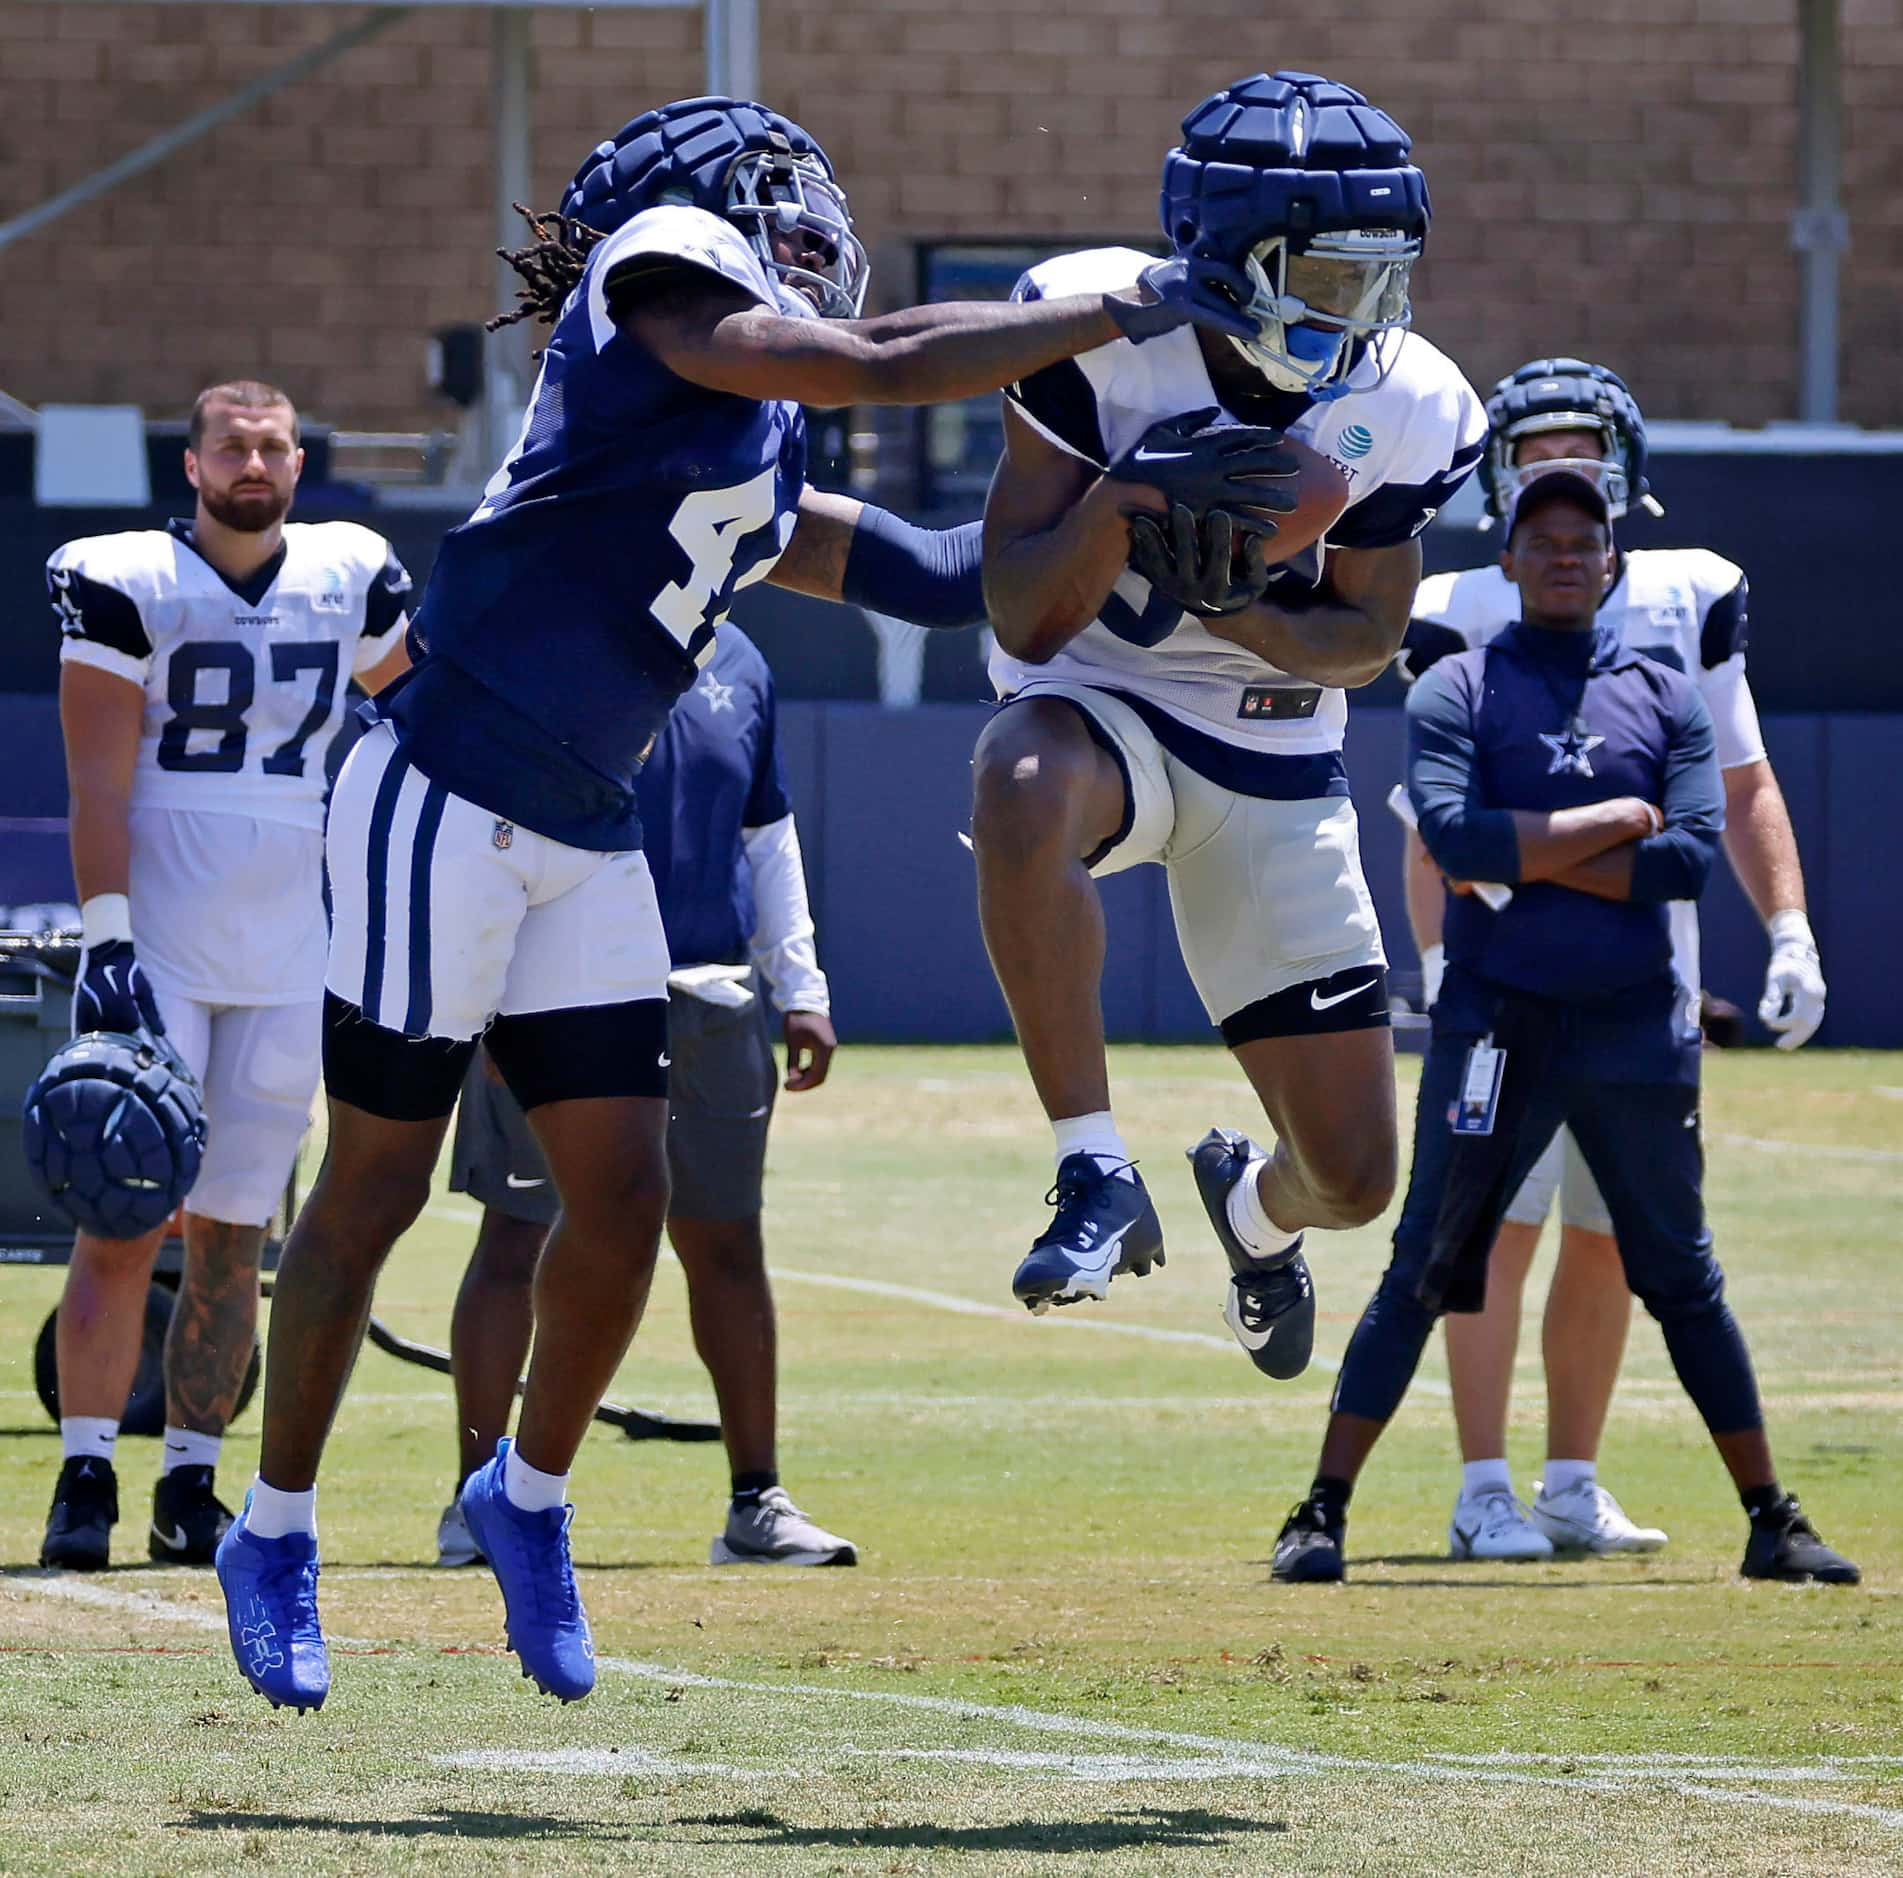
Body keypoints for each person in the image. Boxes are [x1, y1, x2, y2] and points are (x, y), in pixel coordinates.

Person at [214, 93, 1257, 1714]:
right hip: (441, 790)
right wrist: (1120, 305)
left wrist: (1120, 508)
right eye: (766, 188)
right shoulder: (655, 279)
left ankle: (528, 1498)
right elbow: (878, 356)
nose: (800, 215)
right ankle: (272, 1530)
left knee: (623, 1199)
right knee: (372, 1188)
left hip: (581, 826)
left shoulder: (751, 430)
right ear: (683, 209)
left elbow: (924, 571)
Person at [972, 71, 1483, 1366]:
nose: (1360, 316)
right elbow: (1024, 616)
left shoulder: (1409, 398)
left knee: (1355, 1178)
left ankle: (1251, 1217)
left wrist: (1238, 605)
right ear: (1222, 256)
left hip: (1271, 740)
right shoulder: (1094, 335)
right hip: (1100, 703)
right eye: (1324, 279)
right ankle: (1089, 1165)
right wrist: (1120, 502)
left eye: (1379, 277)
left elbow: (1363, 641)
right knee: (1017, 776)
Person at [1271, 470, 1859, 1589]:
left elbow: (1686, 861)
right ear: (1506, 563)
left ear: (1610, 563)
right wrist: (1604, 826)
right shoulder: (1459, 687)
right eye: (1538, 540)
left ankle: (1771, 1521)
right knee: (1426, 1264)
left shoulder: (1666, 697)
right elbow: (1453, 837)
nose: (1561, 556)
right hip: (1496, 1022)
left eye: (1580, 541)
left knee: (1680, 1276)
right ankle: (1320, 1513)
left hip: (1637, 1030)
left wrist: (1532, 848)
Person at [1398, 360, 1829, 1563]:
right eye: (1532, 449)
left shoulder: (1690, 595)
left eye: (1579, 446)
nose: (1557, 472)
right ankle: (1481, 1484)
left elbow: (1740, 783)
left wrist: (1786, 925)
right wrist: (1440, 966)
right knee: (1491, 1230)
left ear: (1626, 466)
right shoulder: (1463, 607)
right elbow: (1427, 824)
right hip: (1509, 982)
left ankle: (1569, 1481)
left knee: (1607, 1236)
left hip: (1643, 984)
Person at [39, 380, 411, 1571]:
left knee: (238, 1234)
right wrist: (107, 942)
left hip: (293, 944)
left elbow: (420, 714)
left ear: (300, 461)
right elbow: (97, 784)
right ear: (191, 467)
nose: (253, 463)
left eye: (272, 446)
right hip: (166, 937)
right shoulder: (127, 577)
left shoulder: (350, 569)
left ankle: (190, 1484)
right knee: (124, 1213)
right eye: (231, 447)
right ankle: (86, 1471)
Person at [434, 622, 855, 1571]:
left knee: (727, 1242)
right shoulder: (546, 638)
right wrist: (489, 988)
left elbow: (766, 832)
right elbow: (487, 821)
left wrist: (804, 987)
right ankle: (477, 1502)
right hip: (558, 990)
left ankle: (757, 1503)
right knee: (514, 1232)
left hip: (709, 994)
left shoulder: (746, 660)